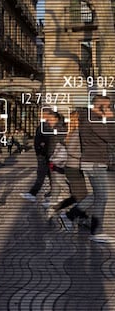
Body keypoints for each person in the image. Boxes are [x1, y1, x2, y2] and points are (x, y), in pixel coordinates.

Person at [75, 95, 115, 243]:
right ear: (101, 106)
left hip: (93, 161)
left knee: (97, 195)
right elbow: (111, 137)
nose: (109, 109)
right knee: (102, 197)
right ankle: (96, 231)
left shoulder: (88, 118)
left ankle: (72, 214)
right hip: (95, 163)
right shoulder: (92, 119)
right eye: (108, 107)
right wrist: (110, 119)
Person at [20, 108, 55, 203]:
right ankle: (54, 192)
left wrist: (42, 149)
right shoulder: (43, 125)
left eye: (41, 114)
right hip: (42, 154)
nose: (39, 115)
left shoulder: (46, 126)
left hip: (44, 155)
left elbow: (48, 140)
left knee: (41, 174)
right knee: (50, 174)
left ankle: (33, 194)